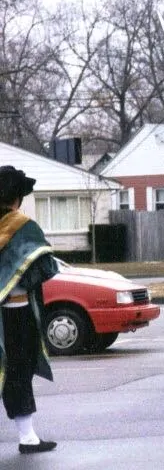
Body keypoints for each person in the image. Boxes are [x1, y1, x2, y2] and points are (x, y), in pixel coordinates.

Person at [0, 166, 59, 454]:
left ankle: (29, 437)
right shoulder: (24, 226)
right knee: (19, 374)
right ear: (17, 198)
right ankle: (27, 438)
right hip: (18, 315)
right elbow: (46, 268)